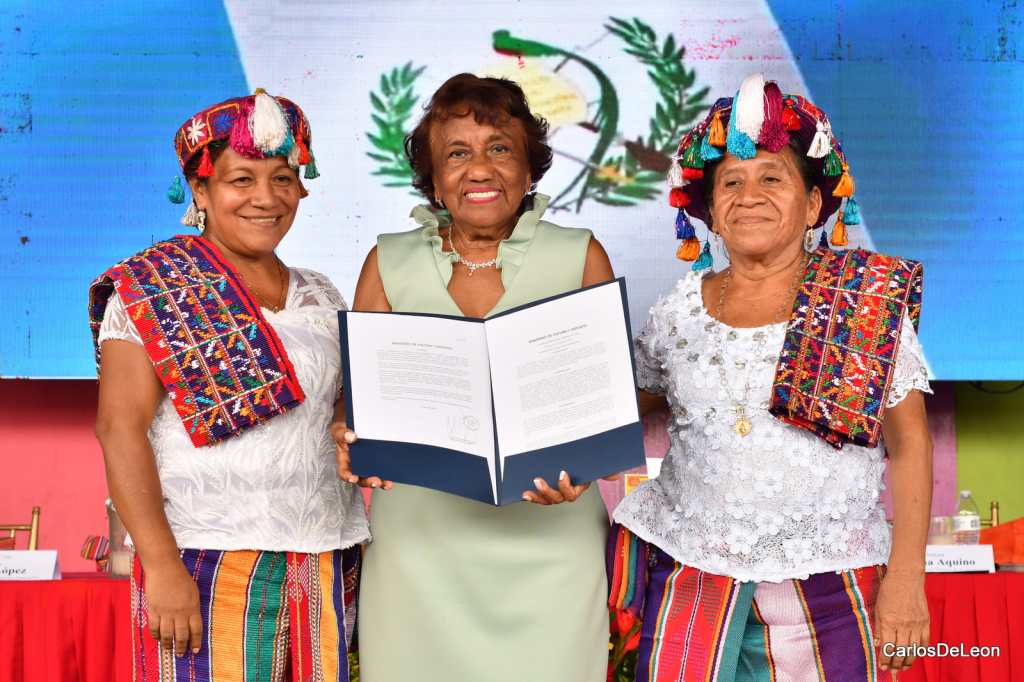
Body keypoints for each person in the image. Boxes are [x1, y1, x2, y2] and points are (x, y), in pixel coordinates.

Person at [608, 74, 932, 681]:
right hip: (689, 579)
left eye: (772, 178)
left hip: (831, 585)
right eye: (731, 181)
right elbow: (613, 414)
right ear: (710, 211)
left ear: (812, 206)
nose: (749, 195)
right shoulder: (678, 312)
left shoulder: (859, 303)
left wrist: (908, 578)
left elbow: (911, 442)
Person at [333, 73, 615, 682]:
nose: (480, 169)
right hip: (420, 549)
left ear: (529, 168)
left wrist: (585, 468)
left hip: (553, 543)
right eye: (457, 154)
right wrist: (347, 433)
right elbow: (356, 402)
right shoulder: (387, 261)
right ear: (434, 179)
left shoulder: (581, 254)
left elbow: (601, 401)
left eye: (500, 149)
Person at [90, 90, 368, 681]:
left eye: (282, 179)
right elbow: (119, 429)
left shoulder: (321, 293)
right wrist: (161, 564)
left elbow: (337, 409)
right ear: (200, 191)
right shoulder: (153, 288)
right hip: (203, 557)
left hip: (322, 553)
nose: (266, 198)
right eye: (241, 179)